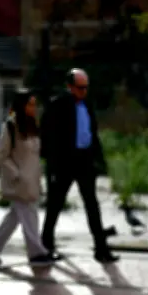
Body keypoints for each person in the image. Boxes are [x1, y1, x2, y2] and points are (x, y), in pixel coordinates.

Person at [39, 68, 118, 263]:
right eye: (80, 88)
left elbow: (92, 133)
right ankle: (45, 245)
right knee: (55, 204)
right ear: (70, 87)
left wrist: (99, 160)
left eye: (86, 87)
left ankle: (101, 248)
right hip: (64, 162)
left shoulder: (87, 105)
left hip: (84, 160)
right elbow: (47, 135)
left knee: (92, 205)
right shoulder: (57, 105)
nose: (84, 91)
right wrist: (52, 164)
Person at [0, 89, 54, 267]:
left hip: (32, 181)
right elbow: (1, 155)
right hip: (19, 182)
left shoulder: (32, 126)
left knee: (15, 217)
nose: (33, 108)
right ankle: (36, 252)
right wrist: (16, 174)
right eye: (30, 104)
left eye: (34, 104)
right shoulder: (10, 127)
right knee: (30, 216)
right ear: (21, 105)